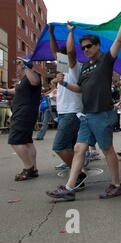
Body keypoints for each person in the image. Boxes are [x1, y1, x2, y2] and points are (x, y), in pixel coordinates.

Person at [46, 2, 121, 201]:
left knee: (107, 150)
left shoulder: (106, 60)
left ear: (97, 46)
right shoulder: (84, 67)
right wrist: (65, 84)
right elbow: (80, 89)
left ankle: (117, 184)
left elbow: (119, 39)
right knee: (78, 148)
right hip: (87, 115)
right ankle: (69, 188)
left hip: (102, 113)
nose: (85, 50)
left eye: (89, 46)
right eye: (83, 47)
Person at [45, 22, 87, 188]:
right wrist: (51, 33)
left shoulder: (75, 67)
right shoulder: (63, 67)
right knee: (70, 147)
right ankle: (78, 175)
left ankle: (79, 174)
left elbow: (69, 51)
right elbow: (56, 51)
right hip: (65, 113)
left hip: (72, 113)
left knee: (60, 146)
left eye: (59, 58)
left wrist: (71, 32)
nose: (57, 60)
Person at [1, 57, 42, 181]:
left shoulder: (33, 75)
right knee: (27, 142)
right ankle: (33, 168)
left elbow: (35, 82)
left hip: (25, 112)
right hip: (22, 112)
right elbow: (17, 90)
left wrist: (25, 66)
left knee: (15, 140)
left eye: (19, 63)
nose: (17, 66)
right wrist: (5, 90)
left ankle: (28, 168)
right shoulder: (23, 80)